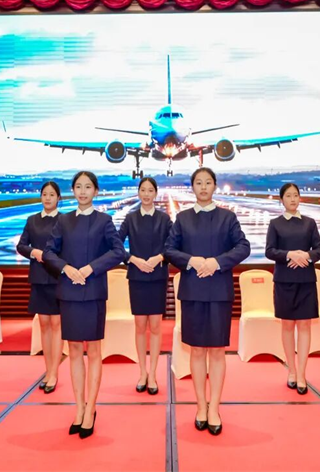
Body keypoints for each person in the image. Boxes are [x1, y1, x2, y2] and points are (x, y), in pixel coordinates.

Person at [165, 167, 251, 436]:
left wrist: (217, 262)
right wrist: (191, 261)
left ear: (214, 186)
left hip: (219, 291)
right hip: (192, 291)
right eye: (198, 183)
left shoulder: (228, 217)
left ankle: (214, 407)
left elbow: (243, 247)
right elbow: (169, 250)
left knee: (216, 352)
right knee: (197, 351)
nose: (203, 187)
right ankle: (200, 405)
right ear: (192, 187)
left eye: (208, 182)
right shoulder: (183, 218)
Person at [44, 171, 125, 439]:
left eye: (87, 187)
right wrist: (66, 268)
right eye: (78, 187)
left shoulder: (104, 220)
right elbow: (48, 252)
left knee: (94, 351)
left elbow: (118, 251)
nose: (82, 191)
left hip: (93, 292)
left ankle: (91, 408)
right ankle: (79, 408)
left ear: (96, 191)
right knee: (75, 350)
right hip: (69, 291)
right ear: (73, 190)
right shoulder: (63, 220)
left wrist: (91, 268)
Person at [265, 183, 320, 395]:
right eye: (288, 196)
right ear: (281, 199)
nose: (293, 199)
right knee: (288, 326)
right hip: (284, 280)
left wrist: (306, 256)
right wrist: (289, 255)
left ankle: (302, 373)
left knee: (305, 326)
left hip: (306, 280)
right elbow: (270, 251)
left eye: (296, 195)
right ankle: (291, 370)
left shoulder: (309, 223)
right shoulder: (275, 224)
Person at [118, 177, 172, 395]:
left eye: (150, 190)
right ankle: (142, 372)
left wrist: (160, 257)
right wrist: (132, 259)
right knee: (140, 326)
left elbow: (173, 244)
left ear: (155, 193)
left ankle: (153, 373)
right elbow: (116, 244)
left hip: (158, 277)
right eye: (143, 190)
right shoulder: (130, 218)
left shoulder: (164, 219)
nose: (147, 194)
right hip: (137, 278)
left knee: (156, 327)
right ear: (138, 192)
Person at [17, 181, 63, 394]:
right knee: (44, 324)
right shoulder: (32, 220)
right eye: (45, 194)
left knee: (56, 324)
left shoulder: (65, 220)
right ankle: (48, 369)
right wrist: (33, 252)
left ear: (59, 198)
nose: (48, 198)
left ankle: (54, 373)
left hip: (58, 277)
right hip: (38, 277)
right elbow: (21, 245)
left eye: (52, 194)